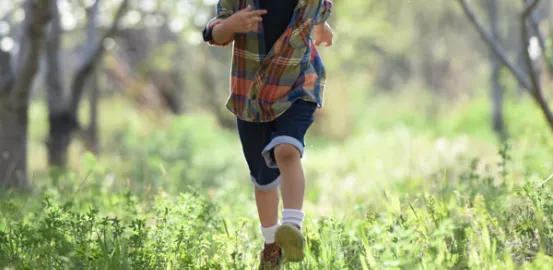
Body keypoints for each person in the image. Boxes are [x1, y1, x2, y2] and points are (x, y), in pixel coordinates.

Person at [202, 0, 333, 268]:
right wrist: (229, 25)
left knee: (287, 149)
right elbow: (213, 32)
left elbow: (317, 19)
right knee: (264, 181)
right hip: (251, 97)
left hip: (298, 86)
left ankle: (292, 227)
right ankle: (271, 245)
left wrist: (323, 29)